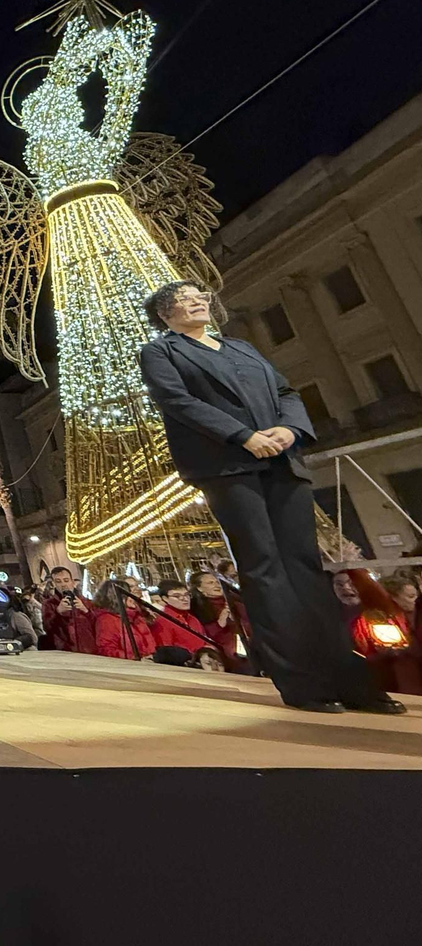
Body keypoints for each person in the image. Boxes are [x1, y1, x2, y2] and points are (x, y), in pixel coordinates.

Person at [139, 279, 404, 714]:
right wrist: (243, 436)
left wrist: (291, 429)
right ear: (166, 314)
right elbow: (176, 400)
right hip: (228, 467)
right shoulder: (161, 352)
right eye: (185, 300)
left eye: (200, 297)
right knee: (264, 568)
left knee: (306, 569)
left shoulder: (243, 348)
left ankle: (352, 682)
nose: (198, 302)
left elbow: (286, 392)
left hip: (283, 462)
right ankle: (301, 683)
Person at [189, 569, 252, 673]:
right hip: (223, 649)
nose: (216, 585)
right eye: (210, 583)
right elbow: (205, 634)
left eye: (217, 582)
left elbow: (251, 623)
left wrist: (237, 621)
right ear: (199, 588)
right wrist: (221, 621)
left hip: (247, 642)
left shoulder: (235, 601)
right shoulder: (197, 608)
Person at [92, 579, 157, 660]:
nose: (134, 597)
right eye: (130, 594)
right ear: (118, 598)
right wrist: (136, 658)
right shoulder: (107, 620)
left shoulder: (136, 616)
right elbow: (107, 650)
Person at [41, 566, 97, 653]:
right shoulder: (49, 604)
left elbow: (97, 624)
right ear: (54, 584)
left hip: (89, 650)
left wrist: (86, 611)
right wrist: (58, 612)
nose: (63, 584)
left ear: (72, 581)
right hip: (65, 650)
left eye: (66, 580)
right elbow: (47, 628)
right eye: (58, 581)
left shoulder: (86, 602)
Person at [151, 578, 209, 657]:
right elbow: (166, 652)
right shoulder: (163, 622)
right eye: (177, 596)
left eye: (186, 594)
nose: (185, 599)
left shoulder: (192, 618)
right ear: (165, 598)